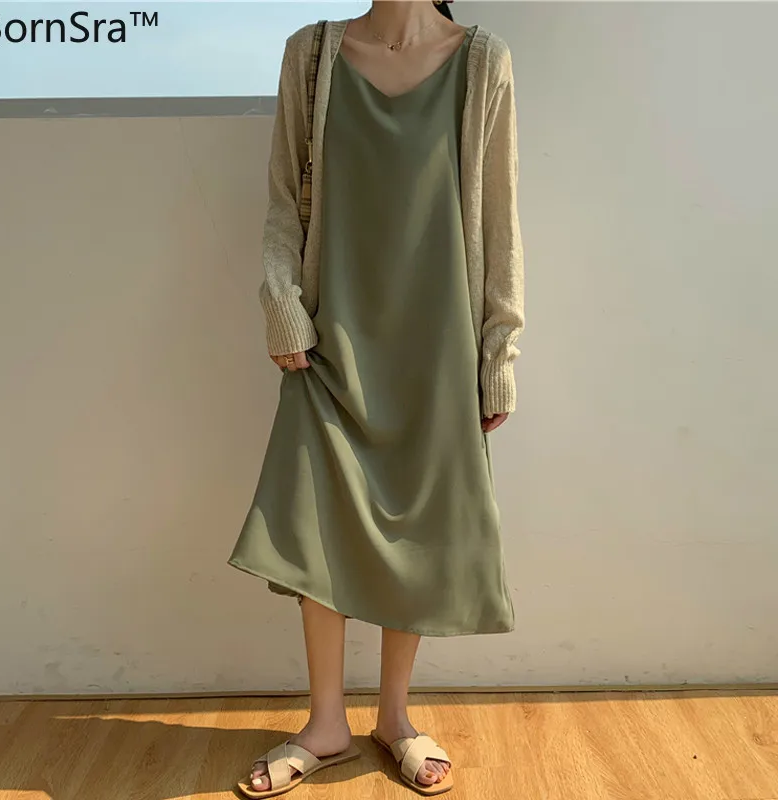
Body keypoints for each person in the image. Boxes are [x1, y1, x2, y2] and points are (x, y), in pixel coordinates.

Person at [229, 0, 524, 795]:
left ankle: (395, 716)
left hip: (438, 345)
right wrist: (283, 305)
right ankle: (325, 723)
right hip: (330, 336)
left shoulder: (483, 62)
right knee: (315, 524)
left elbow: (499, 218)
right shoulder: (312, 54)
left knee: (417, 528)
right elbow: (283, 199)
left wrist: (498, 353)